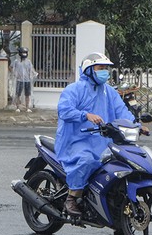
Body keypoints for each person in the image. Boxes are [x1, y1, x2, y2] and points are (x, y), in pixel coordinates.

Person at [56, 52, 141, 216]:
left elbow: (121, 111)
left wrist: (137, 125)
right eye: (100, 68)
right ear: (88, 70)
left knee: (121, 164)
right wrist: (85, 115)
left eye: (106, 69)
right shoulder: (74, 89)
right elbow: (64, 110)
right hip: (76, 141)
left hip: (103, 141)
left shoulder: (108, 91)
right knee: (87, 160)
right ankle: (72, 197)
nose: (105, 72)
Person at [11, 47, 37, 112]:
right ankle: (17, 107)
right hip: (19, 80)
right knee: (18, 94)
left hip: (27, 80)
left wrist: (34, 73)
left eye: (25, 53)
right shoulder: (16, 61)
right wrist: (14, 73)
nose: (24, 54)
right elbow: (11, 67)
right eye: (23, 53)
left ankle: (27, 107)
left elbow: (31, 69)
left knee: (27, 95)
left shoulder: (28, 62)